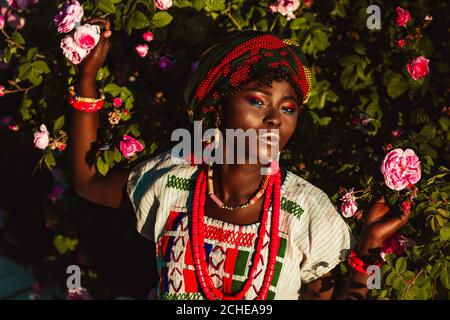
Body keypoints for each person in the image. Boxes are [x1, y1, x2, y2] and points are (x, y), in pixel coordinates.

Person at [70, 19, 411, 300]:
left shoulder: (306, 211)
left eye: (288, 108)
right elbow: (88, 183)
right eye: (258, 102)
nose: (275, 118)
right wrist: (86, 79)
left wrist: (371, 244)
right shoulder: (172, 181)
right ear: (220, 108)